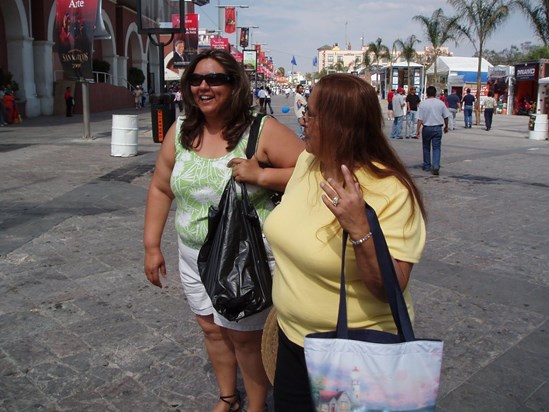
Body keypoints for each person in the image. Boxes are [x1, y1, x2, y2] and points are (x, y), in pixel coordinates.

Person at [143, 49, 304, 412]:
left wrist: (262, 175)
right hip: (193, 256)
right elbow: (160, 187)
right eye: (197, 79)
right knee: (212, 331)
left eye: (215, 79)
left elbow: (310, 171)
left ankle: (257, 406)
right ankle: (228, 397)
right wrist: (152, 245)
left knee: (244, 339)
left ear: (234, 85)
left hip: (243, 256)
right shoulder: (181, 131)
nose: (204, 86)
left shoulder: (260, 129)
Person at [263, 74, 426, 411]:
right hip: (292, 340)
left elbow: (390, 288)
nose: (301, 120)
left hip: (356, 353)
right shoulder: (309, 163)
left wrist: (359, 229)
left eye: (310, 115)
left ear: (340, 125)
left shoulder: (390, 191)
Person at [416, 86, 450, 176]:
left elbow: (419, 119)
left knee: (426, 147)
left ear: (427, 93)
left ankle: (427, 165)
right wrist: (446, 126)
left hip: (426, 128)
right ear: (435, 93)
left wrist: (417, 130)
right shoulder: (441, 103)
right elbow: (446, 116)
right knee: (436, 148)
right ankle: (436, 166)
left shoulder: (423, 104)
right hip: (437, 128)